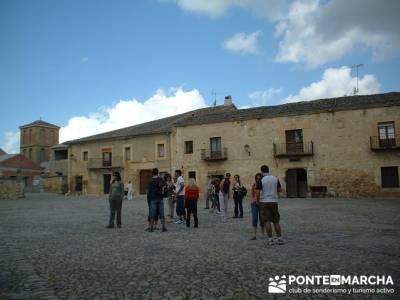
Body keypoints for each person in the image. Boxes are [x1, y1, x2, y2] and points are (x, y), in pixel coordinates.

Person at [256, 165, 283, 245]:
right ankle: (279, 238)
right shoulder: (275, 178)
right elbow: (279, 189)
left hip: (264, 201)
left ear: (261, 171)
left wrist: (258, 201)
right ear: (268, 170)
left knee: (267, 221)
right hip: (274, 201)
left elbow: (257, 192)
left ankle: (270, 239)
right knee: (276, 221)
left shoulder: (261, 179)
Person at [147, 168, 167, 232]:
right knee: (161, 213)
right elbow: (165, 185)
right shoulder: (160, 179)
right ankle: (163, 227)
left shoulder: (150, 180)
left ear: (152, 173)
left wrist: (148, 200)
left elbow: (149, 191)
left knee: (152, 213)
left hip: (153, 198)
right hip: (160, 198)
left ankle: (151, 228)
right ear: (157, 172)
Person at [250, 173, 263, 240]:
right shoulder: (254, 184)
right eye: (257, 178)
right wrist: (253, 200)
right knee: (254, 218)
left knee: (262, 218)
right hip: (254, 203)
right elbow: (252, 193)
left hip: (262, 202)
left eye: (259, 178)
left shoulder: (263, 184)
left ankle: (262, 233)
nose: (258, 179)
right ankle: (254, 234)